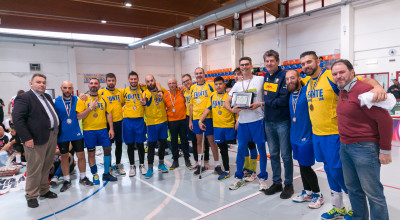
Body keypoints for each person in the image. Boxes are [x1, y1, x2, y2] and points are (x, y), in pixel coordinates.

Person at [300, 51, 387, 219]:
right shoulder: (307, 81)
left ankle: (356, 209)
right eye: (303, 64)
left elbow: (362, 81)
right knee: (329, 172)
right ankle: (338, 207)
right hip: (317, 135)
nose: (306, 66)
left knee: (340, 174)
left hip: (334, 134)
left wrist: (377, 86)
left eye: (309, 62)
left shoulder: (331, 76)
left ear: (318, 61)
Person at [332, 59, 392, 220]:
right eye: (335, 74)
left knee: (373, 193)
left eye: (342, 72)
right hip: (345, 147)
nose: (338, 76)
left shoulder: (364, 91)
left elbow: (385, 121)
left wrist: (385, 150)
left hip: (364, 149)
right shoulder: (344, 90)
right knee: (353, 189)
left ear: (352, 72)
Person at [12, 74, 59, 208]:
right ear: (31, 83)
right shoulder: (24, 98)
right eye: (38, 82)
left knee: (47, 165)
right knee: (34, 168)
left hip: (51, 135)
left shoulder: (47, 97)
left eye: (44, 82)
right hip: (35, 139)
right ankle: (31, 195)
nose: (42, 85)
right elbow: (18, 119)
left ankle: (44, 190)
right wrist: (26, 138)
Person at [224, 57, 268, 191]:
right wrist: (232, 109)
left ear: (251, 66)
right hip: (243, 122)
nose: (244, 67)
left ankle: (262, 178)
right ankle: (238, 177)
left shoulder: (260, 79)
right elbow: (226, 102)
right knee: (241, 150)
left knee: (261, 149)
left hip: (257, 120)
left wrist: (261, 104)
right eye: (242, 65)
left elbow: (269, 97)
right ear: (239, 67)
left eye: (247, 64)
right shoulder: (237, 85)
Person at [285, 70, 324, 208]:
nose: (290, 81)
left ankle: (318, 195)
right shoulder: (290, 93)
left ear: (299, 78)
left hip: (307, 137)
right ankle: (307, 192)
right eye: (287, 79)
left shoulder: (307, 89)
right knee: (301, 165)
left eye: (292, 78)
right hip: (294, 136)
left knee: (306, 167)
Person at [262, 50, 294, 199]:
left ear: (277, 61)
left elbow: (282, 100)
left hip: (282, 122)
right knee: (273, 154)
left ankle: (288, 184)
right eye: (267, 61)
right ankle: (277, 182)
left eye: (271, 61)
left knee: (286, 155)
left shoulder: (284, 76)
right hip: (268, 122)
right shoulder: (266, 76)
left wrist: (264, 103)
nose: (269, 64)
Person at [54, 81, 93, 192]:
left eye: (69, 88)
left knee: (81, 155)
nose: (67, 90)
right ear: (61, 88)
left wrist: (83, 95)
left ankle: (83, 177)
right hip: (62, 134)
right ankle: (67, 180)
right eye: (65, 88)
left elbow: (88, 98)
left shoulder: (78, 99)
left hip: (76, 132)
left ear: (72, 89)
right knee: (64, 157)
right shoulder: (55, 102)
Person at [76, 78, 117, 184]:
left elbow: (109, 113)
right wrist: (90, 108)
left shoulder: (104, 98)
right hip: (89, 131)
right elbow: (78, 116)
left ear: (99, 86)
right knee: (91, 154)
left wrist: (111, 128)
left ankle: (106, 174)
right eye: (91, 83)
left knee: (107, 150)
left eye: (96, 83)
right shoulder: (83, 99)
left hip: (103, 130)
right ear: (88, 86)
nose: (93, 85)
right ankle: (95, 175)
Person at [199, 76, 234, 180]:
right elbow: (207, 109)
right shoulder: (212, 96)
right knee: (223, 149)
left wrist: (237, 122)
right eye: (216, 84)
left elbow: (235, 110)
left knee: (240, 148)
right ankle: (226, 170)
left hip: (229, 126)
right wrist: (200, 120)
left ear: (224, 84)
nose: (218, 86)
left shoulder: (229, 95)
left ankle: (245, 170)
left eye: (220, 84)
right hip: (217, 127)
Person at [189, 67, 220, 175]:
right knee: (198, 142)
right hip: (197, 118)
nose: (199, 75)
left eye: (200, 73)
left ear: (204, 74)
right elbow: (191, 105)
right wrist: (190, 120)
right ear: (195, 75)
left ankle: (217, 165)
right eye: (197, 73)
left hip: (208, 117)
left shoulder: (210, 85)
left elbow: (218, 95)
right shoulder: (192, 88)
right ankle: (201, 164)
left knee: (211, 141)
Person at [231, 67, 259, 182]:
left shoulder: (249, 85)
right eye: (235, 75)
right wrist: (237, 120)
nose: (237, 76)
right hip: (241, 121)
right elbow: (235, 107)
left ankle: (253, 170)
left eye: (239, 74)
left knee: (252, 146)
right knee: (243, 147)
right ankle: (246, 168)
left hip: (252, 120)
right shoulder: (235, 87)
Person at [140, 75, 169, 179]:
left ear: (154, 81)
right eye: (147, 81)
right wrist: (144, 102)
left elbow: (163, 87)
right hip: (152, 123)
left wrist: (160, 89)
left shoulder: (160, 89)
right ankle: (150, 168)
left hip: (163, 121)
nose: (150, 83)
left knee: (162, 144)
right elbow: (145, 100)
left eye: (151, 81)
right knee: (151, 146)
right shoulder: (145, 93)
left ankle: (161, 164)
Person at [182, 74, 210, 169]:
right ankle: (197, 161)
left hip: (201, 116)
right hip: (190, 117)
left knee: (204, 140)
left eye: (187, 80)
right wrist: (190, 119)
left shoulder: (197, 88)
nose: (186, 83)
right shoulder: (184, 92)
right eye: (184, 81)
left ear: (191, 80)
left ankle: (206, 161)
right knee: (194, 140)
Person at [121, 71, 147, 176]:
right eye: (131, 79)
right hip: (127, 121)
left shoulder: (143, 89)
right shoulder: (124, 91)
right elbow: (122, 103)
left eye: (135, 79)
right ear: (128, 80)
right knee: (130, 145)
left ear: (138, 79)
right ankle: (132, 166)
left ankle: (142, 165)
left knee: (140, 144)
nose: (133, 81)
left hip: (139, 120)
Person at [99, 73, 125, 175]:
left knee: (119, 145)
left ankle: (118, 164)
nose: (111, 82)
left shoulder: (120, 92)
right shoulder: (101, 92)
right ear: (106, 81)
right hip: (107, 124)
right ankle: (108, 166)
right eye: (109, 80)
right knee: (107, 147)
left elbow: (122, 103)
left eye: (112, 80)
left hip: (119, 122)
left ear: (115, 81)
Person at [164, 78, 192, 170]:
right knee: (174, 141)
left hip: (182, 120)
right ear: (168, 85)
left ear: (176, 84)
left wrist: (182, 87)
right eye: (170, 83)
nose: (172, 85)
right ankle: (175, 160)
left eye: (173, 83)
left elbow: (188, 89)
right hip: (171, 121)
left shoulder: (181, 91)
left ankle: (187, 159)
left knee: (184, 140)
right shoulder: (165, 94)